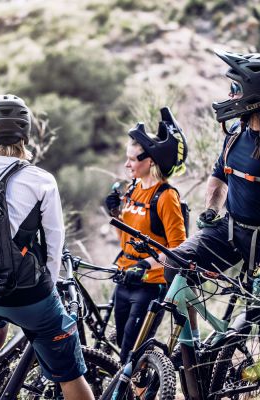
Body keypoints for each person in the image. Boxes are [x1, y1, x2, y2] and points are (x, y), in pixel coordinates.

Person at [165, 50, 260, 399]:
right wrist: (211, 210)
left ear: (256, 95)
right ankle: (193, 352)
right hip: (230, 231)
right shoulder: (236, 132)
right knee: (175, 264)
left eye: (236, 88)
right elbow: (218, 176)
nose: (229, 95)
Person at [0, 94, 94, 399]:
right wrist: (49, 287)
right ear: (25, 134)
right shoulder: (40, 180)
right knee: (70, 373)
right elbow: (54, 243)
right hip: (29, 297)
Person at [104, 107, 188, 364]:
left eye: (132, 159)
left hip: (150, 285)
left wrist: (145, 265)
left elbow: (178, 250)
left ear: (150, 161)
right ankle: (138, 384)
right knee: (123, 347)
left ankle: (143, 383)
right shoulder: (133, 189)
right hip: (124, 279)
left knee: (130, 355)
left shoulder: (166, 197)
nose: (127, 164)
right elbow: (126, 237)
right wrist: (115, 213)